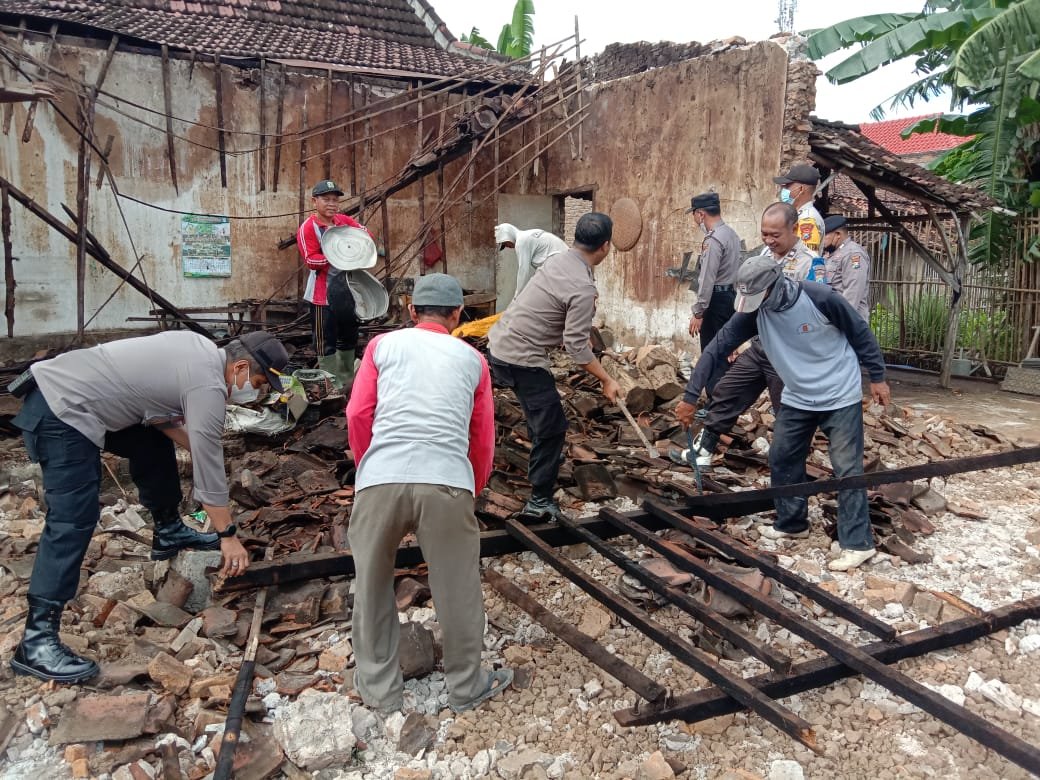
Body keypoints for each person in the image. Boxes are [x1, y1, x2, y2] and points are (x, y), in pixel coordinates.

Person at [8, 330, 289, 683]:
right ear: (242, 366)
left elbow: (164, 419)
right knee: (73, 516)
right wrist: (227, 534)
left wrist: (207, 452)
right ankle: (35, 643)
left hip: (81, 397)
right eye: (259, 382)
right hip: (61, 407)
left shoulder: (200, 350)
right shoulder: (208, 384)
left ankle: (169, 530)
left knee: (152, 442)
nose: (257, 391)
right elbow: (206, 457)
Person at [346, 273, 512, 714]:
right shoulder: (473, 359)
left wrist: (370, 467)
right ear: (459, 314)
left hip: (380, 476)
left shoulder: (382, 346)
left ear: (411, 310)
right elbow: (482, 436)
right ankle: (467, 685)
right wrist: (470, 487)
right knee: (457, 586)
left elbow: (358, 413)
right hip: (446, 480)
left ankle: (380, 693)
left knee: (372, 585)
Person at [687, 255, 891, 571]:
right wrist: (690, 396)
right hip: (798, 394)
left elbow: (859, 332)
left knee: (847, 467)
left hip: (839, 392)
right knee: (782, 455)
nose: (754, 304)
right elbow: (716, 348)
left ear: (776, 284)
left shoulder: (819, 298)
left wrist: (877, 377)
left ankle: (857, 543)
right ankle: (793, 522)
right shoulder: (753, 313)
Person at [488, 213, 621, 520]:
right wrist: (606, 380)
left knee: (541, 416)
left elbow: (564, 321)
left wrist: (581, 323)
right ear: (605, 246)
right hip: (520, 356)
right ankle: (538, 502)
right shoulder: (583, 286)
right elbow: (575, 348)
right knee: (552, 428)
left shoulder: (559, 260)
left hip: (501, 344)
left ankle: (534, 462)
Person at [672, 202, 816, 467]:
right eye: (765, 234)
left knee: (787, 412)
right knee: (727, 390)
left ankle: (791, 467)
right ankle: (705, 449)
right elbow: (718, 345)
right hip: (761, 344)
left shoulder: (810, 264)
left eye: (776, 235)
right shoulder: (762, 257)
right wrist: (690, 396)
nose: (769, 240)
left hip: (788, 354)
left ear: (794, 229)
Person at [296, 179, 367, 390]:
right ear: (314, 201)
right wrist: (338, 255)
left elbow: (365, 236)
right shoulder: (308, 228)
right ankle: (330, 385)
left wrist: (356, 246)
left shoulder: (344, 221)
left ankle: (346, 382)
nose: (331, 204)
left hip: (348, 293)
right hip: (322, 296)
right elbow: (311, 260)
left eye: (335, 200)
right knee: (324, 341)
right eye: (326, 199)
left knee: (348, 336)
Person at [685, 192, 742, 397]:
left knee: (712, 352)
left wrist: (699, 312)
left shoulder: (714, 240)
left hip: (715, 301)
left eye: (694, 215)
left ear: (701, 214)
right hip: (730, 298)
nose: (694, 220)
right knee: (725, 351)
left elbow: (707, 279)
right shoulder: (731, 234)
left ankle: (714, 404)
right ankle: (725, 400)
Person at [494, 223, 568, 301]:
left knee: (537, 292)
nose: (507, 247)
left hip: (560, 265)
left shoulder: (521, 241)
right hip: (563, 263)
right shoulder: (527, 235)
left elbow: (523, 270)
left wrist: (516, 297)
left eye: (505, 243)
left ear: (508, 236)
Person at [823, 215, 871, 322]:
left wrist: (840, 319)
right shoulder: (830, 254)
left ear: (838, 234)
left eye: (825, 235)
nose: (822, 240)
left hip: (848, 322)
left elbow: (853, 292)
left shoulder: (853, 254)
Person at [774, 164, 825, 255]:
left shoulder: (808, 219)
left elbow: (805, 258)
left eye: (787, 186)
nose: (783, 189)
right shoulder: (798, 215)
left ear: (801, 189)